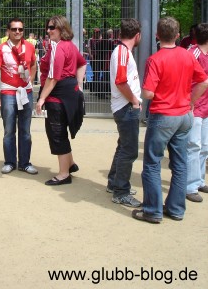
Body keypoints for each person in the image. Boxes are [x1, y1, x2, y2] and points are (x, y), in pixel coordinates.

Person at [133, 17, 208, 224]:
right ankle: (175, 209)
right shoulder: (187, 56)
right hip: (184, 115)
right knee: (180, 162)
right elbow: (203, 82)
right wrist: (191, 101)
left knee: (152, 163)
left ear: (157, 35)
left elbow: (148, 93)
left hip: (163, 115)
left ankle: (153, 210)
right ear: (177, 35)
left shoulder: (155, 59)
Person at [36, 16, 86, 186]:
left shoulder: (60, 48)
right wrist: (78, 84)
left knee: (56, 133)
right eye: (47, 27)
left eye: (52, 28)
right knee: (61, 130)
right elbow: (82, 63)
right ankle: (70, 164)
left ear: (61, 29)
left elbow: (53, 77)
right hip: (67, 93)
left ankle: (64, 174)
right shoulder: (69, 46)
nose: (48, 30)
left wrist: (41, 98)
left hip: (57, 95)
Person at [0, 18, 38, 175]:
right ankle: (10, 162)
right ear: (8, 31)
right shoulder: (1, 49)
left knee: (25, 130)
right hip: (8, 92)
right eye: (14, 29)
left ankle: (25, 162)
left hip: (26, 92)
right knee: (9, 130)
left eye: (20, 29)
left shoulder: (30, 47)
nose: (18, 32)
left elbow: (33, 65)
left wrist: (29, 79)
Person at [107, 19, 142, 207]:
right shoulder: (122, 52)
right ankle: (121, 191)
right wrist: (134, 100)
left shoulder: (122, 51)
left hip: (126, 106)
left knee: (123, 147)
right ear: (137, 35)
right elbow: (121, 81)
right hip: (126, 107)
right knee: (129, 150)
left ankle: (114, 183)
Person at [186, 22, 208, 202]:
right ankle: (190, 185)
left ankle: (199, 180)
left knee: (204, 146)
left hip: (206, 107)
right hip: (195, 106)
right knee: (194, 145)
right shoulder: (192, 53)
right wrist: (190, 101)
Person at [88, 28, 102, 92]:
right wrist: (90, 54)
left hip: (99, 58)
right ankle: (93, 88)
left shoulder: (100, 40)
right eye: (96, 32)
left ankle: (96, 88)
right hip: (93, 58)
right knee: (95, 72)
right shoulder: (91, 40)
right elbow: (89, 47)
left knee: (98, 73)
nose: (97, 34)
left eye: (98, 32)